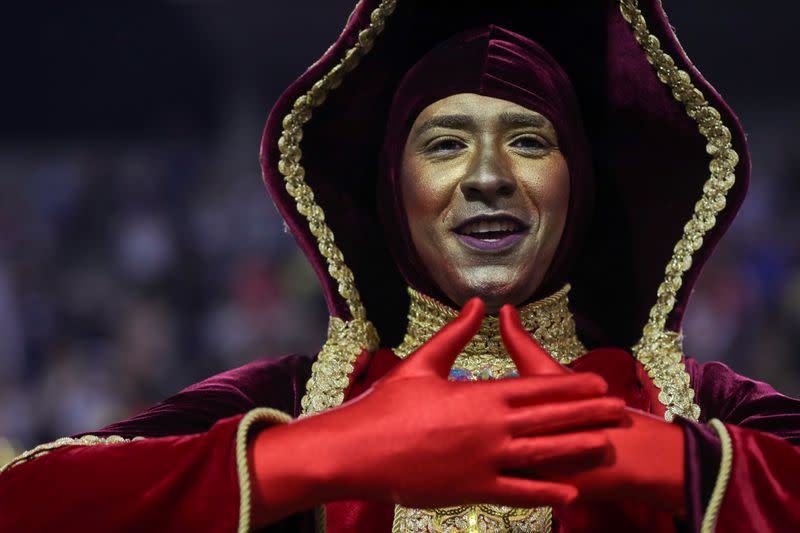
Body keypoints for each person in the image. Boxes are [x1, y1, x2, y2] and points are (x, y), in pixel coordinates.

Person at [1, 1, 799, 532]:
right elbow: (24, 501)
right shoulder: (300, 398)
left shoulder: (687, 401)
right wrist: (323, 455)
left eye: (528, 140)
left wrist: (665, 457)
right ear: (392, 191)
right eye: (445, 143)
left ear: (579, 187)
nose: (488, 174)